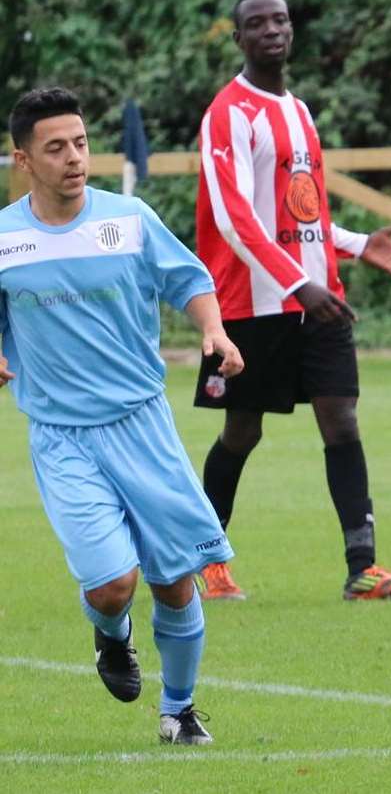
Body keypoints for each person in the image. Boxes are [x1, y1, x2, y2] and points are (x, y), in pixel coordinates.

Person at [0, 87, 244, 744]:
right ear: (23, 159)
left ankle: (180, 708)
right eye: (56, 147)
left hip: (143, 425)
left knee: (171, 578)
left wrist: (214, 332)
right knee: (112, 585)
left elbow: (190, 280)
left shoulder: (127, 219)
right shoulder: (4, 240)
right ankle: (112, 634)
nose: (75, 157)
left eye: (80, 142)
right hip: (62, 437)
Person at [193, 0, 391, 602]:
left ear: (291, 31)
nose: (271, 30)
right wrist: (300, 282)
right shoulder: (228, 113)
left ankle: (364, 568)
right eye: (257, 23)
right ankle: (205, 559)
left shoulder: (298, 111)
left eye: (280, 20)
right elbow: (235, 217)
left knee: (342, 420)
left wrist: (356, 245)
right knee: (241, 431)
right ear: (240, 37)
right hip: (252, 302)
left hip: (317, 299)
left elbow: (299, 217)